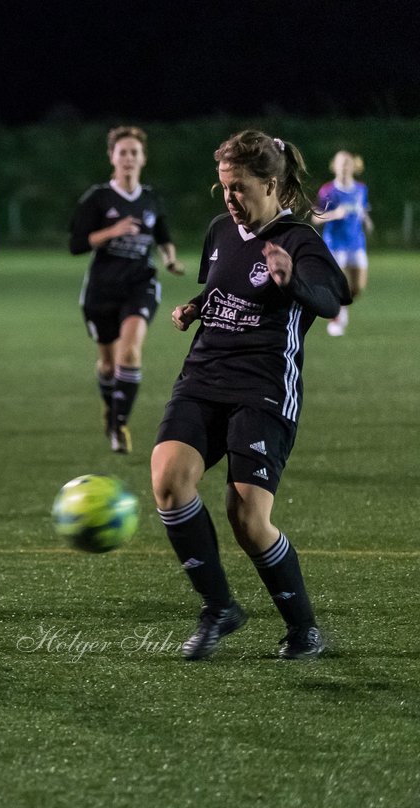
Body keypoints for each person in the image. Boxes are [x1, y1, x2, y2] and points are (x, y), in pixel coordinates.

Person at [151, 130, 350, 662]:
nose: (229, 200)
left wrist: (292, 283)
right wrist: (197, 306)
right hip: (204, 373)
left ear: (271, 184)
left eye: (238, 188)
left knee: (247, 520)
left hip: (264, 387)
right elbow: (224, 282)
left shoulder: (300, 240)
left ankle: (303, 629)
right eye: (223, 188)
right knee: (168, 481)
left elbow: (331, 298)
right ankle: (219, 608)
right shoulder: (221, 229)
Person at [69, 126, 186, 454]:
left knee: (130, 353)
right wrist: (112, 231)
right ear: (112, 157)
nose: (129, 158)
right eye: (123, 152)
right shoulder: (98, 198)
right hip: (102, 290)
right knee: (107, 365)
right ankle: (111, 411)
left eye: (135, 152)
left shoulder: (150, 198)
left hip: (140, 285)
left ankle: (119, 424)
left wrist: (171, 259)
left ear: (143, 158)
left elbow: (163, 236)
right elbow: (76, 244)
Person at [313, 150, 372, 336]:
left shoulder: (361, 189)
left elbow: (361, 209)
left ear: (354, 166)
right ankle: (335, 318)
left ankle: (342, 307)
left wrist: (367, 220)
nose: (344, 166)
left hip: (356, 243)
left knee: (358, 288)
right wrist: (334, 214)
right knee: (336, 284)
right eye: (340, 162)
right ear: (334, 166)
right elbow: (316, 217)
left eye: (347, 162)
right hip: (335, 244)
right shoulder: (328, 191)